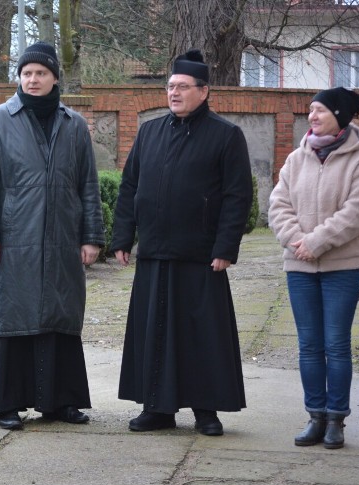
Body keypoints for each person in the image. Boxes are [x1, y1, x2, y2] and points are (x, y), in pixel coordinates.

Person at [110, 49, 253, 436]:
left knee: (201, 335)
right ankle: (157, 408)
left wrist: (225, 248)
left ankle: (206, 410)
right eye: (170, 86)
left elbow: (238, 196)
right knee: (153, 331)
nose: (174, 93)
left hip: (201, 255)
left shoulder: (226, 135)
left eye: (182, 87)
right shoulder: (149, 131)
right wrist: (123, 236)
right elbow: (130, 187)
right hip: (154, 251)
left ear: (204, 91)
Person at [0, 42, 105, 430]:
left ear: (54, 78)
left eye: (41, 73)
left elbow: (87, 185)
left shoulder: (74, 124)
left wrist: (91, 236)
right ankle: (7, 403)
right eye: (26, 73)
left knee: (60, 317)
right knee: (13, 317)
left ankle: (59, 401)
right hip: (15, 238)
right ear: (19, 78)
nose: (33, 79)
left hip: (64, 238)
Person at [268, 87, 359, 450]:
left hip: (341, 269)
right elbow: (278, 205)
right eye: (310, 110)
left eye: (320, 110)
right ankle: (315, 415)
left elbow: (358, 212)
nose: (312, 116)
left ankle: (336, 420)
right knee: (309, 345)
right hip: (299, 268)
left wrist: (315, 242)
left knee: (336, 344)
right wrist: (296, 240)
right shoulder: (296, 159)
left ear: (340, 114)